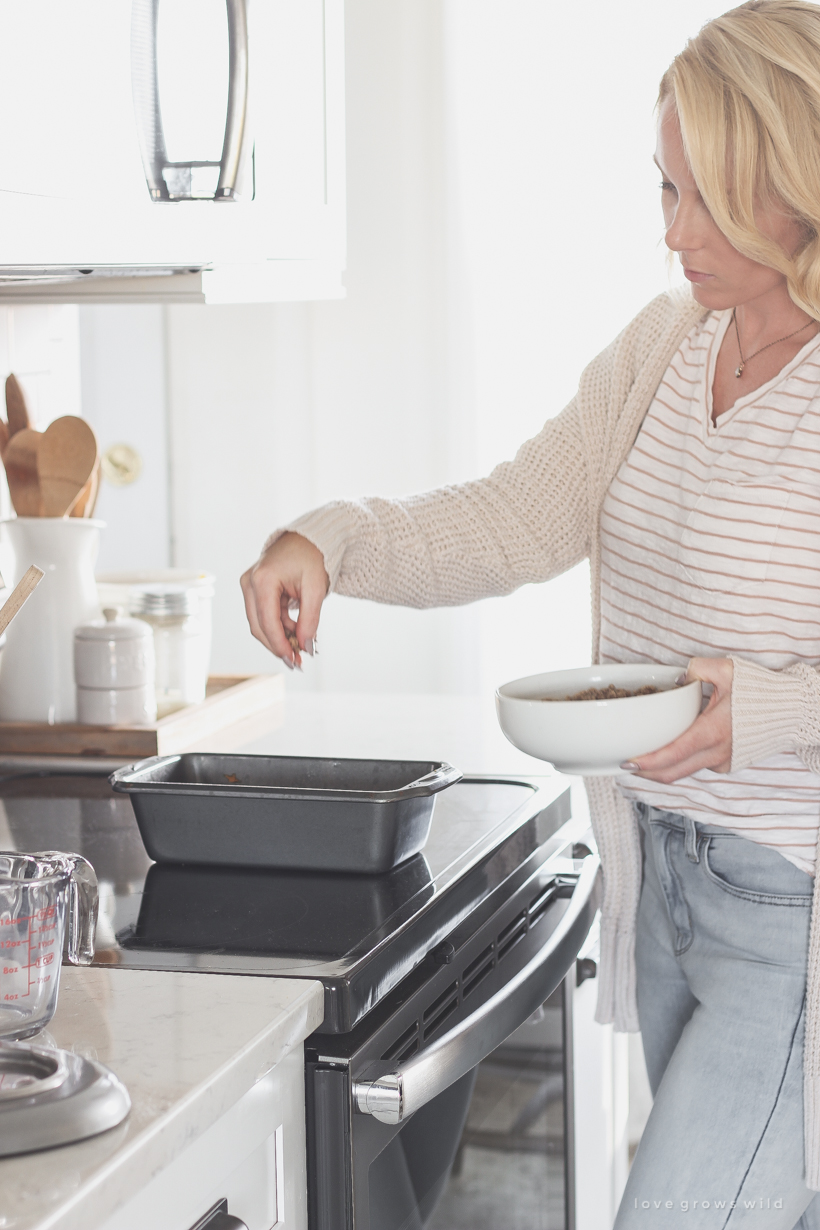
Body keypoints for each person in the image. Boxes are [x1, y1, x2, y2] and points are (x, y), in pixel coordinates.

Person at [241, 2, 820, 1223]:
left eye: (704, 197)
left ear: (796, 179)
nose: (673, 235)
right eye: (661, 190)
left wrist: (757, 713)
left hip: (793, 906)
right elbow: (517, 515)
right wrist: (333, 539)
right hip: (657, 871)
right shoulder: (665, 347)